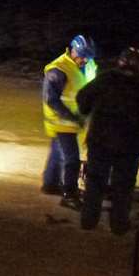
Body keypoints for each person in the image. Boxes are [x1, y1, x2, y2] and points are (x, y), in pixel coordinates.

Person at [77, 47, 139, 234]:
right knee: (124, 184)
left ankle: (89, 220)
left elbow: (82, 98)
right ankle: (119, 224)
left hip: (100, 140)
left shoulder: (105, 79)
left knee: (95, 181)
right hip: (129, 144)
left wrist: (89, 112)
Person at [41, 35, 97, 209]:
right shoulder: (58, 70)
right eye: (82, 56)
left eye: (88, 57)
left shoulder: (89, 65)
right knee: (72, 159)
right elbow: (51, 99)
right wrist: (72, 117)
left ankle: (50, 184)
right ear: (72, 50)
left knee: (58, 152)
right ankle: (69, 195)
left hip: (75, 119)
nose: (84, 60)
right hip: (62, 121)